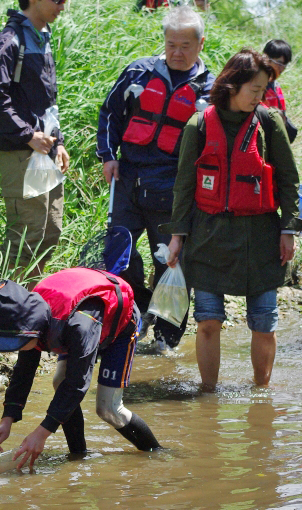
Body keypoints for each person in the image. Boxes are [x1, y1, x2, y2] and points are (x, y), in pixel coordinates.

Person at [161, 49, 302, 388]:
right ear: (231, 85)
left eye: (263, 91)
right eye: (253, 90)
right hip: (209, 236)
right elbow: (184, 185)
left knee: (263, 322)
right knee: (208, 321)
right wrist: (177, 235)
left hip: (261, 237)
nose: (259, 97)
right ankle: (208, 392)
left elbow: (288, 179)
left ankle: (261, 394)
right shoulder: (198, 125)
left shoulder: (269, 123)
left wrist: (289, 229)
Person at [97, 6, 214, 350]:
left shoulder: (210, 90)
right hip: (129, 180)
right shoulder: (137, 73)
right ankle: (134, 315)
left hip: (174, 191)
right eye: (171, 44)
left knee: (171, 263)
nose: (176, 53)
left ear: (200, 44)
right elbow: (109, 114)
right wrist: (107, 157)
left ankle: (166, 342)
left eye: (185, 46)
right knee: (118, 253)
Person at [0, 269, 161, 469]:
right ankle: (78, 457)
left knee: (108, 409)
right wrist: (7, 420)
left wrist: (42, 433)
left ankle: (156, 453)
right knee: (58, 383)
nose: (11, 348)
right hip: (77, 320)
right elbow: (24, 370)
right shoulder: (31, 318)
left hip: (119, 325)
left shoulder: (79, 325)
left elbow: (77, 383)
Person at [0, 0, 70, 281]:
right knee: (26, 238)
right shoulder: (11, 40)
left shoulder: (42, 36)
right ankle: (5, 310)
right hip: (22, 152)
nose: (62, 7)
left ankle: (27, 304)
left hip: (46, 151)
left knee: (50, 232)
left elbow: (46, 102)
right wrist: (27, 135)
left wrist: (59, 141)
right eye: (58, 0)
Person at [261, 39, 298, 142]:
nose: (282, 68)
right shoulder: (257, 83)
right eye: (279, 63)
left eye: (285, 64)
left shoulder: (275, 84)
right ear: (266, 57)